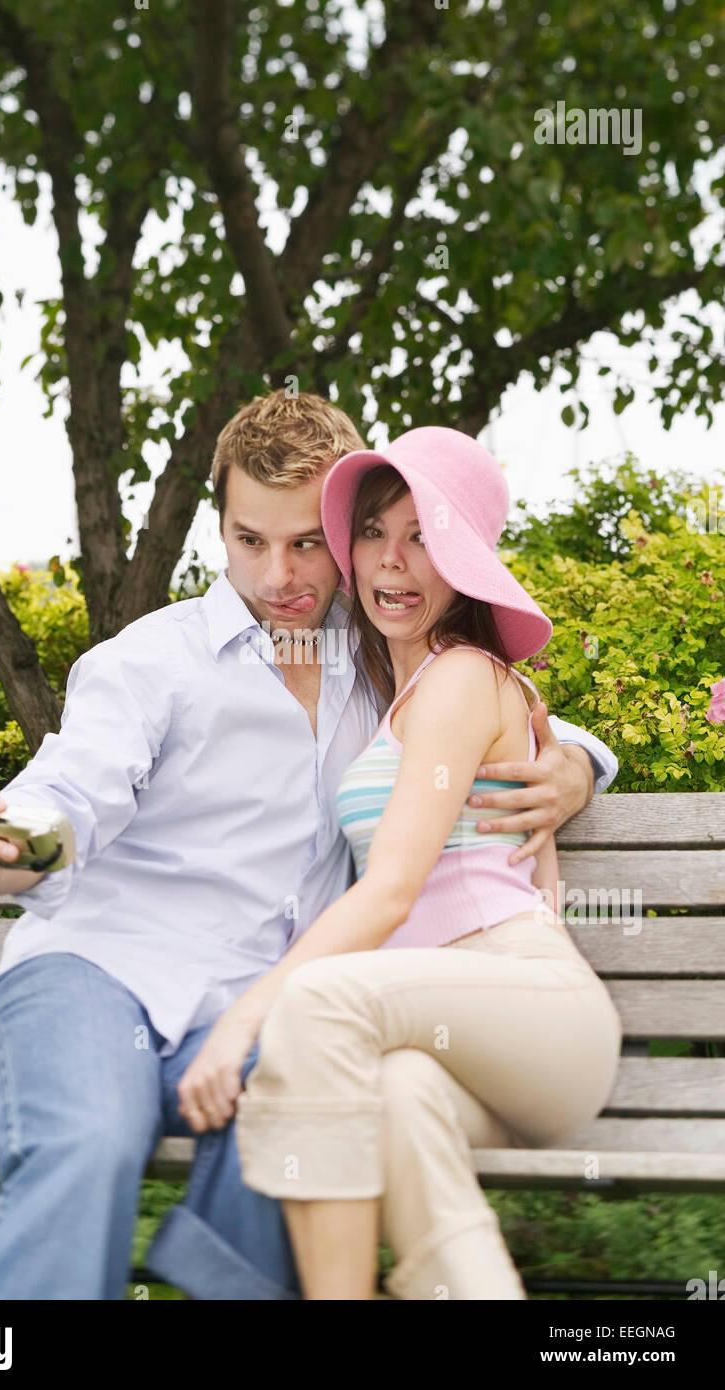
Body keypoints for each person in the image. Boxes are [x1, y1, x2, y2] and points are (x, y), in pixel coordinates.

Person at [0, 393, 618, 1301]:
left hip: (263, 1003)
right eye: (249, 539)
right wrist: (18, 846)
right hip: (98, 969)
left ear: (338, 537)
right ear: (219, 527)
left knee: (300, 1103)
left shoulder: (379, 656)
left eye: (304, 544)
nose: (277, 573)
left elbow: (508, 717)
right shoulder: (151, 662)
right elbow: (71, 791)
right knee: (90, 1139)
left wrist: (576, 762)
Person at [181, 425, 624, 1300]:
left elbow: (391, 890)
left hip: (530, 1004)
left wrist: (240, 1025)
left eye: (425, 537)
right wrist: (577, 754)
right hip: (447, 1041)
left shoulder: (461, 676)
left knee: (312, 1006)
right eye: (376, 533)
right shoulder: (398, 687)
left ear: (464, 562)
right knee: (395, 1098)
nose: (393, 563)